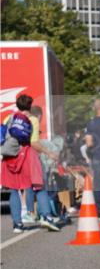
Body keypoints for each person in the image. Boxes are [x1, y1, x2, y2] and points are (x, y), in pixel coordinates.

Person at [2, 94, 60, 232]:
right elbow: (34, 143)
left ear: (17, 105)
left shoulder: (8, 118)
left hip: (10, 157)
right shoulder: (32, 119)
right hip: (27, 157)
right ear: (30, 105)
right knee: (39, 187)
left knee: (14, 190)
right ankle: (46, 217)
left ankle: (17, 224)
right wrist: (49, 153)